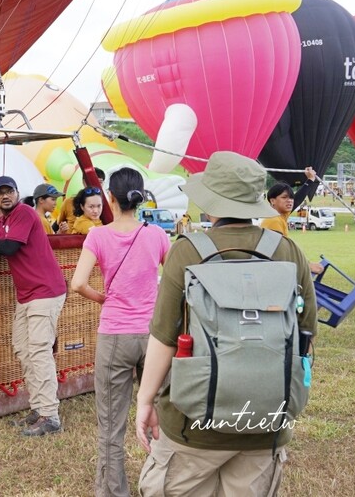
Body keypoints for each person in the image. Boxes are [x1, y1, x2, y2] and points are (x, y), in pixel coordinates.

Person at [135, 152, 317, 496]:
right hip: (267, 421)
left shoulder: (187, 251)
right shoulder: (288, 251)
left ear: (212, 203)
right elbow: (306, 337)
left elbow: (163, 337)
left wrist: (146, 401)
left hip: (192, 422)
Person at [69, 168, 170, 497]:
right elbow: (174, 280)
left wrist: (104, 298)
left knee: (111, 427)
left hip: (115, 334)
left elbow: (78, 283)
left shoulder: (98, 236)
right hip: (154, 335)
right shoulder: (157, 235)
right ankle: (164, 484)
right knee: (161, 418)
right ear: (141, 198)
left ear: (110, 197)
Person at [0, 176, 68, 436]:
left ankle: (50, 416)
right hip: (28, 295)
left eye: (10, 191)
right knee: (23, 348)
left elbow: (6, 247)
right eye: (0, 193)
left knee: (39, 351)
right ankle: (38, 407)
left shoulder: (24, 213)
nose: (6, 196)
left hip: (45, 291)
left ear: (18, 193)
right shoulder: (4, 221)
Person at [261, 167, 324, 273]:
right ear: (272, 201)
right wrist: (307, 265)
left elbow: (297, 199)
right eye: (284, 197)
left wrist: (310, 180)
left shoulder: (280, 216)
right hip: (271, 271)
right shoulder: (273, 220)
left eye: (290, 198)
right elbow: (280, 253)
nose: (289, 201)